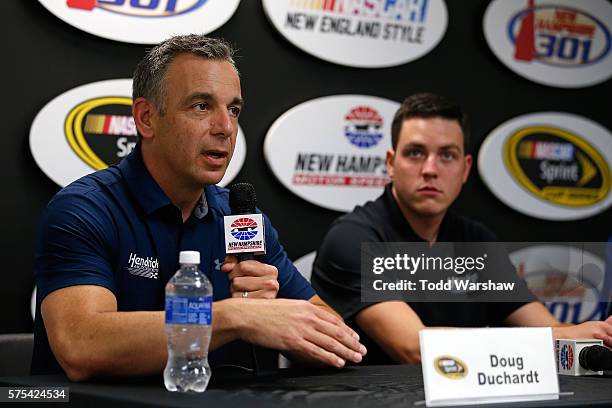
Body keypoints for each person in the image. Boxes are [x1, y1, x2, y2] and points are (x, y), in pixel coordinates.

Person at [32, 34, 366, 380]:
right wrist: (236, 317)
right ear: (146, 118)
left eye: (233, 109)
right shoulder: (84, 210)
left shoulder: (242, 222)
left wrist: (275, 311)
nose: (225, 128)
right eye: (201, 106)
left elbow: (341, 343)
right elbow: (82, 346)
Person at [311, 93, 612, 365]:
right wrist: (549, 340)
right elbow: (414, 348)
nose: (430, 169)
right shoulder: (353, 238)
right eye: (415, 153)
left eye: (447, 155)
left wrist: (591, 334)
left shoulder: (476, 240)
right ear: (391, 164)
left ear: (465, 169)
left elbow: (547, 329)